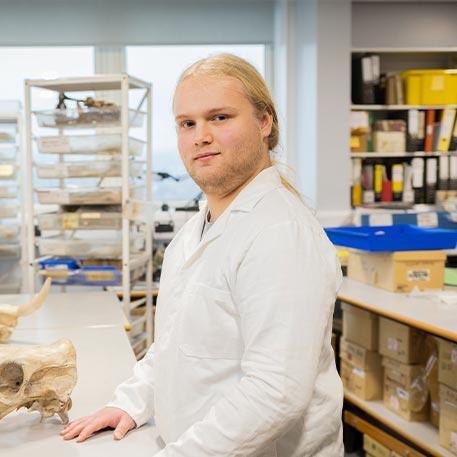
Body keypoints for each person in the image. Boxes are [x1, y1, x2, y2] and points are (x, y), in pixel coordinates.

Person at [61, 54, 344, 456]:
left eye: (220, 118)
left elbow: (275, 393)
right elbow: (177, 343)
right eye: (187, 123)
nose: (201, 136)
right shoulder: (199, 228)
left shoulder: (281, 234)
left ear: (265, 123)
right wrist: (130, 401)